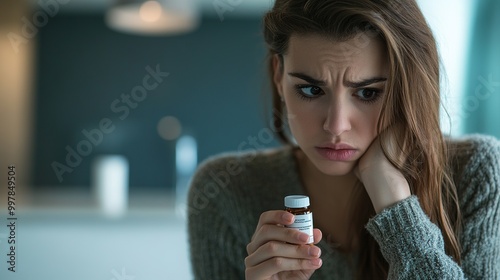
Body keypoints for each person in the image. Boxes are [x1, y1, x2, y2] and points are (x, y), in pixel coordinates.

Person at [187, 0, 500, 279]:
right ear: (278, 75)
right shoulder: (225, 191)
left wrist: (392, 196)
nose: (335, 126)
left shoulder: (477, 172)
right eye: (311, 90)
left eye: (367, 93)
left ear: (409, 89)